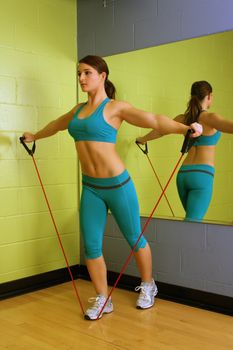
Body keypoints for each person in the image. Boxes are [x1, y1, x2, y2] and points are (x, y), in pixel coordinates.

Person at [22, 55, 202, 320]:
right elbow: (57, 125)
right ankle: (103, 298)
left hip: (118, 185)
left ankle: (149, 284)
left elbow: (153, 119)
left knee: (134, 238)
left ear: (102, 76)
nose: (81, 78)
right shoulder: (77, 110)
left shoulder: (116, 108)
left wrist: (185, 128)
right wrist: (35, 135)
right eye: (79, 74)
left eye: (87, 73)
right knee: (92, 247)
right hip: (91, 187)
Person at [137, 80, 233, 222]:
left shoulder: (183, 118)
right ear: (209, 96)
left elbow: (160, 131)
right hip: (202, 176)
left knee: (190, 223)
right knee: (192, 225)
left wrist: (142, 139)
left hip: (183, 175)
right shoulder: (210, 118)